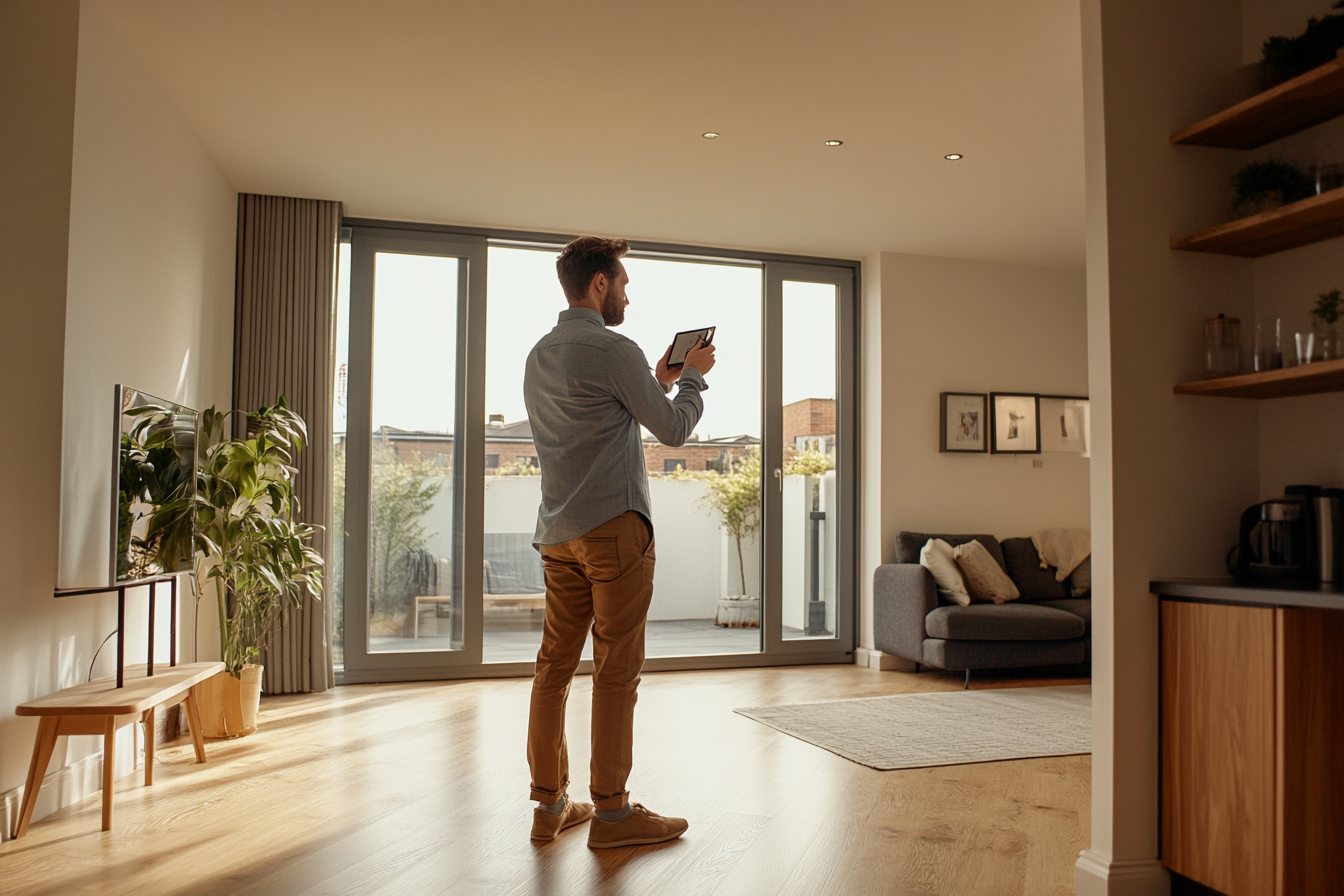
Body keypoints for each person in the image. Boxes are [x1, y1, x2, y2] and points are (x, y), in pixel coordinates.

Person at [522, 235, 717, 848]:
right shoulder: (613, 348)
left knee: (553, 668)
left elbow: (603, 412)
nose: (627, 294)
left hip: (558, 533)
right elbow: (675, 431)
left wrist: (654, 378)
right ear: (600, 283)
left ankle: (549, 806)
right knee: (615, 669)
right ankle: (611, 814)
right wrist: (690, 381)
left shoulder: (540, 354)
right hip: (613, 531)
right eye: (624, 284)